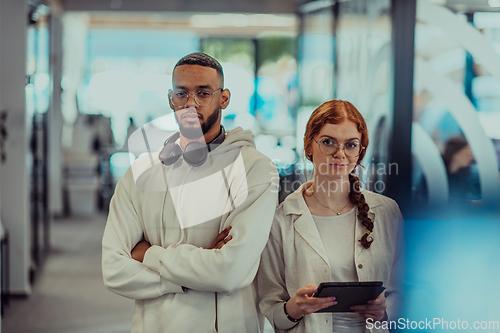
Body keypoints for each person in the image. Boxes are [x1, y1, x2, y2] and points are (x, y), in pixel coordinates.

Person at [102, 52, 279, 333]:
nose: (190, 104)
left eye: (203, 93)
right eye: (182, 94)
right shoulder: (141, 173)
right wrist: (192, 274)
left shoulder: (255, 170)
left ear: (224, 98)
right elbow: (114, 270)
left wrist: (149, 256)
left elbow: (229, 272)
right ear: (171, 99)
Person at [257, 100, 403, 333]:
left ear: (361, 151)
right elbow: (271, 314)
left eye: (351, 145)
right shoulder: (281, 220)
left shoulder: (386, 212)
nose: (340, 154)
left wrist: (386, 310)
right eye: (328, 142)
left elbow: (406, 291)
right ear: (309, 147)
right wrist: (295, 308)